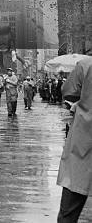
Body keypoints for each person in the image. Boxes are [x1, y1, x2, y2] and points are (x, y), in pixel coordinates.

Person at [57, 56, 92, 222]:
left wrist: (79, 103)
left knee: (68, 213)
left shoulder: (85, 65)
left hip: (83, 144)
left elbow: (68, 93)